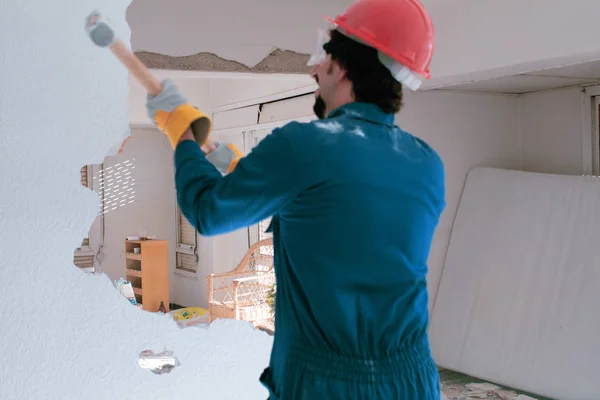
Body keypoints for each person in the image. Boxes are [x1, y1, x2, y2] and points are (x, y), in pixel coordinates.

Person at [145, 0, 445, 398]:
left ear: (341, 67)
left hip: (327, 384)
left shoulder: (305, 146)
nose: (313, 69)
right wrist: (243, 170)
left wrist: (181, 135)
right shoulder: (426, 162)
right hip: (413, 380)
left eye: (322, 56)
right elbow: (339, 216)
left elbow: (208, 211)